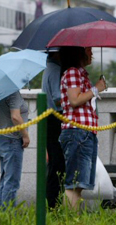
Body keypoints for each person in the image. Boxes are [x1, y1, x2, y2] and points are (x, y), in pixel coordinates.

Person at [58, 46, 106, 210]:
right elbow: (75, 100)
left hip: (84, 133)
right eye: (88, 50)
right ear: (78, 52)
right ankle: (69, 219)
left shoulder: (81, 74)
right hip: (77, 132)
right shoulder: (72, 72)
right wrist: (96, 89)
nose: (91, 53)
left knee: (79, 184)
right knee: (74, 183)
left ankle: (72, 218)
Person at [41, 52, 65, 209]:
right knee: (58, 165)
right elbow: (57, 98)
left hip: (48, 119)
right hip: (55, 118)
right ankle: (53, 204)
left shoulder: (47, 68)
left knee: (54, 164)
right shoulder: (55, 69)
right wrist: (75, 99)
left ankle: (50, 203)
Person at [0, 91, 30, 208]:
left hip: (2, 137)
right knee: (12, 181)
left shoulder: (2, 89)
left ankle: (3, 216)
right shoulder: (12, 92)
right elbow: (16, 116)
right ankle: (9, 215)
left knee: (4, 179)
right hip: (12, 139)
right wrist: (25, 135)